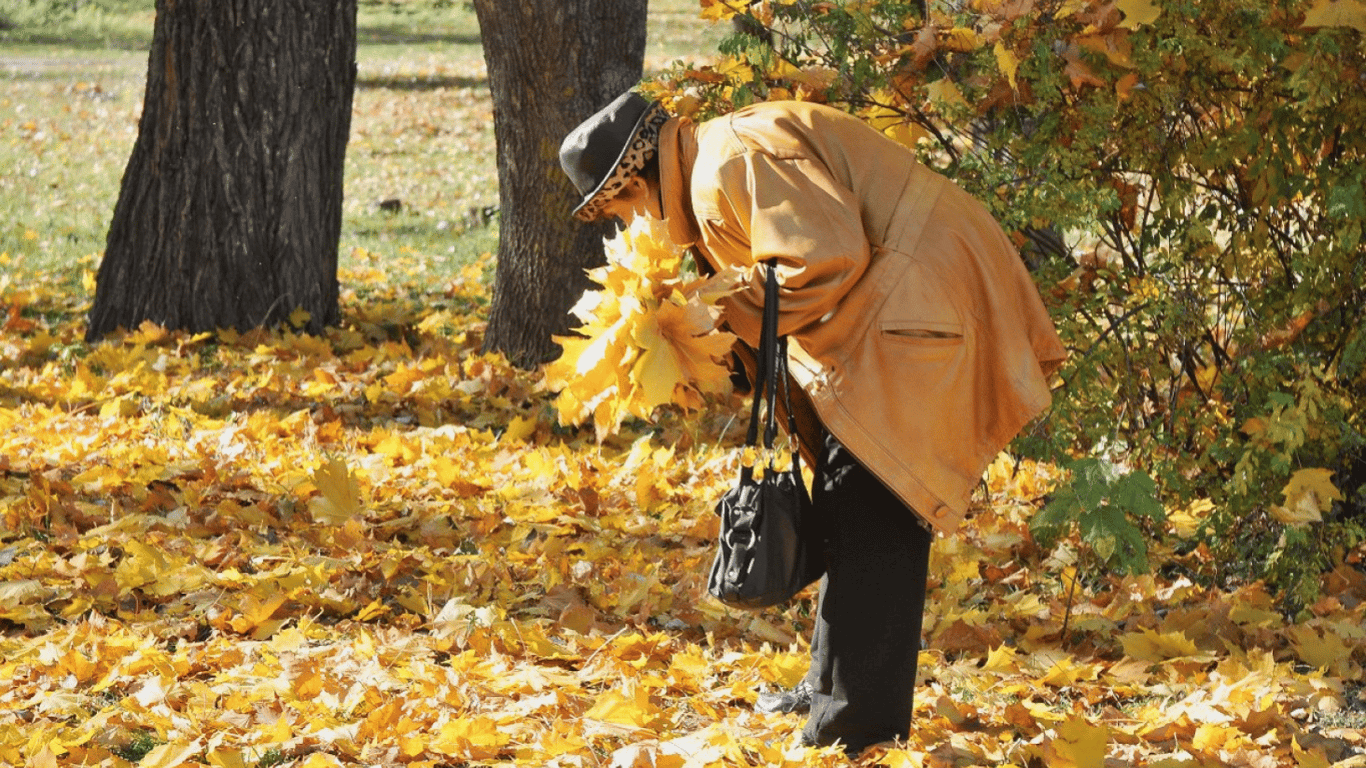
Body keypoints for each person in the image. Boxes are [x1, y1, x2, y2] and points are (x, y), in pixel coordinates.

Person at [558, 91, 1067, 755]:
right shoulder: (712, 170)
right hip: (897, 306)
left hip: (918, 299)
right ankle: (833, 689)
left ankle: (855, 727)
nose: (626, 224)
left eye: (618, 206)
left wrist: (715, 315)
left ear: (639, 175)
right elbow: (785, 280)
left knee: (873, 506)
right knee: (845, 500)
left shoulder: (728, 162)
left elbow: (825, 258)